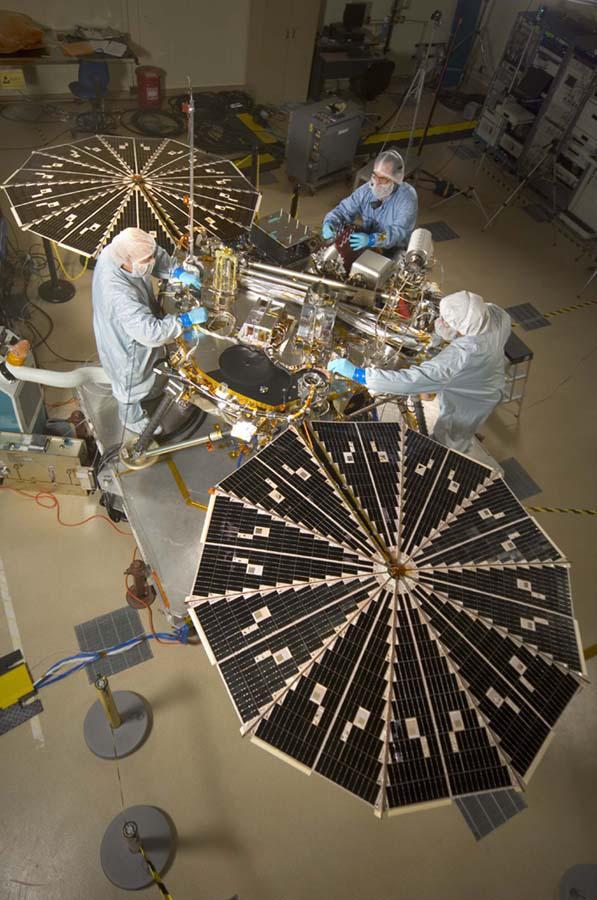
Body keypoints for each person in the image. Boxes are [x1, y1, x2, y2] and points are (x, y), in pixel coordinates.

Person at [328, 291, 512, 453]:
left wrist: (359, 374)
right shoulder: (495, 314)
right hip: (491, 375)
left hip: (475, 397)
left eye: (446, 322)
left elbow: (410, 382)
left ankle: (440, 458)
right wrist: (439, 339)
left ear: (462, 329)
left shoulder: (463, 356)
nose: (440, 322)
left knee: (451, 435)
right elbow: (463, 330)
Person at [92, 227, 207, 434]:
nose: (151, 262)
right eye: (146, 261)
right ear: (124, 261)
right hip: (126, 343)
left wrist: (176, 271)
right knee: (130, 383)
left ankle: (151, 386)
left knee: (149, 364)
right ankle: (130, 418)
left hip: (135, 320)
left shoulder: (119, 249)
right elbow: (151, 334)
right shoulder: (117, 292)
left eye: (150, 257)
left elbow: (153, 254)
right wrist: (185, 320)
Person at [322, 149, 418, 253]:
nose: (376, 183)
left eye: (382, 179)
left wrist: (372, 239)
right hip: (366, 241)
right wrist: (330, 222)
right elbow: (343, 210)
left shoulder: (407, 198)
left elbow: (397, 233)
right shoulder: (366, 191)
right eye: (374, 176)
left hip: (393, 250)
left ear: (395, 180)